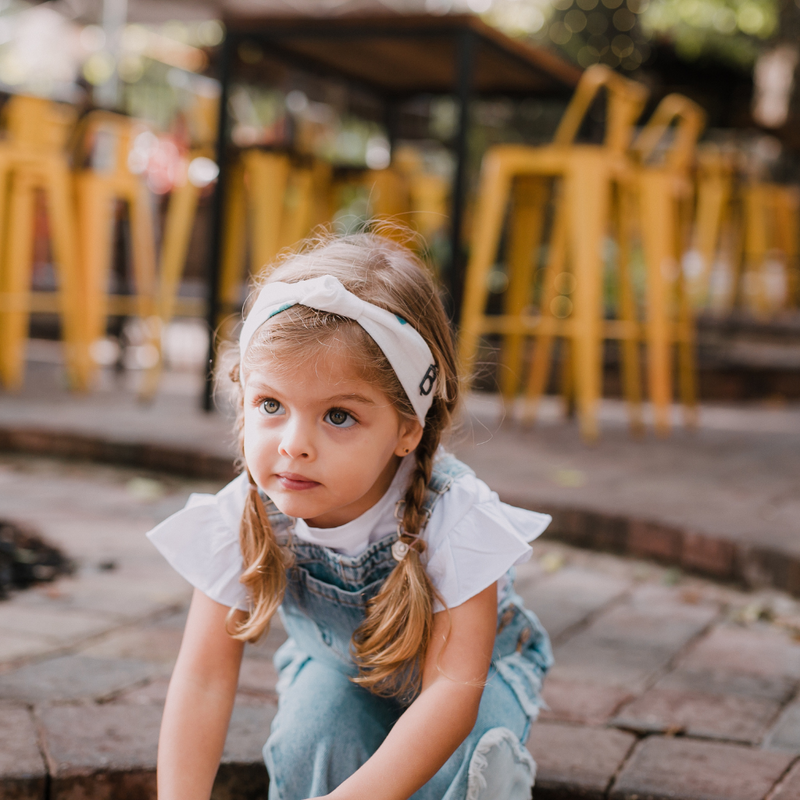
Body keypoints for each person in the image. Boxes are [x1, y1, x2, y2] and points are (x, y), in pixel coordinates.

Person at [147, 232, 553, 800]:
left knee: (464, 759)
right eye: (271, 405)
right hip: (343, 671)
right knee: (313, 732)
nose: (294, 445)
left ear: (407, 428)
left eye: (338, 416)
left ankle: (497, 784)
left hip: (471, 688)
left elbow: (452, 695)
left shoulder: (454, 516)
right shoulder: (242, 515)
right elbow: (204, 681)